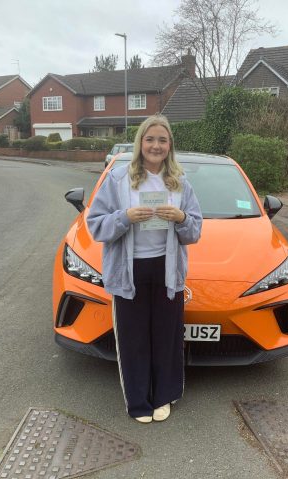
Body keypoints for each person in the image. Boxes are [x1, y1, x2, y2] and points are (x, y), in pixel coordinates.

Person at [87, 114, 202, 424]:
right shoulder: (118, 179)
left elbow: (194, 232)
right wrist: (124, 217)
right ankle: (138, 401)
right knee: (133, 339)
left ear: (169, 145)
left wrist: (180, 218)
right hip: (129, 272)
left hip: (167, 271)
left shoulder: (180, 181)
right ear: (140, 143)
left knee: (167, 337)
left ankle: (164, 396)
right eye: (150, 139)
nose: (156, 145)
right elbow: (95, 227)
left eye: (162, 140)